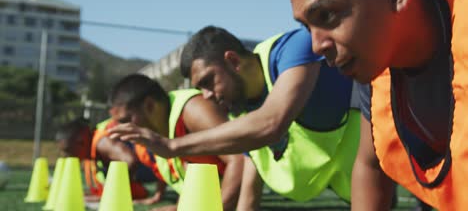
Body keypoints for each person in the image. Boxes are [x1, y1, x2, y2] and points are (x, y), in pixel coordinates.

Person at [283, 0, 465, 210]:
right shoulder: (376, 65)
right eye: (307, 27)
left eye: (327, 15)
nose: (316, 46)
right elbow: (370, 165)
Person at [109, 26, 361, 210]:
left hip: (383, 170)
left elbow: (272, 122)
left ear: (232, 60)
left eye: (208, 81)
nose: (206, 96)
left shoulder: (294, 48)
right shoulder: (239, 111)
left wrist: (172, 147)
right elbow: (250, 190)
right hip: (355, 189)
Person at [107, 74, 243, 211]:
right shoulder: (153, 139)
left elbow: (240, 159)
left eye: (125, 120)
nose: (121, 128)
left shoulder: (193, 109)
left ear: (149, 105)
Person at [56, 116, 165, 204]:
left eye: (68, 151)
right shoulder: (94, 147)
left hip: (156, 160)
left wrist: (112, 192)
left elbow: (130, 160)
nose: (67, 156)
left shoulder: (101, 143)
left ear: (81, 141)